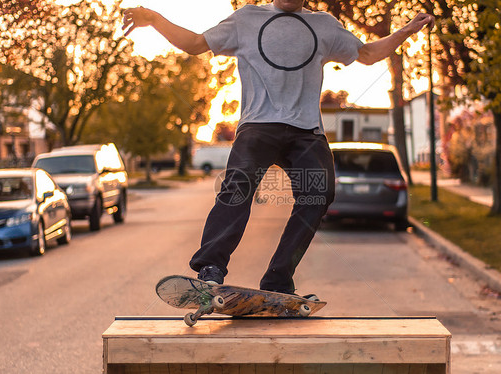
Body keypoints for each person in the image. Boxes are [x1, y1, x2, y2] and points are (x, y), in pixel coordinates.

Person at [123, 0, 433, 295]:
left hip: (306, 131)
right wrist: (153, 19)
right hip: (258, 126)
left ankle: (278, 278)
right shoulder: (246, 19)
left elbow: (367, 53)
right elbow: (195, 44)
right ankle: (211, 268)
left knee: (320, 193)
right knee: (239, 186)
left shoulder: (323, 25)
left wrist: (406, 31)